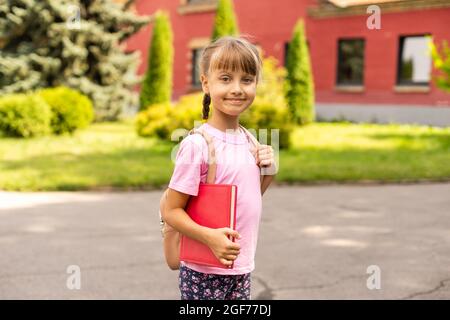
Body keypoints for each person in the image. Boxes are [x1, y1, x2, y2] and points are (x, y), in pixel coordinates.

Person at [160, 36, 277, 300]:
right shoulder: (197, 145)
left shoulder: (249, 140)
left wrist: (268, 172)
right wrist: (210, 237)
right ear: (206, 83)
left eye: (246, 79)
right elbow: (171, 209)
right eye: (225, 78)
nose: (237, 88)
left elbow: (248, 198)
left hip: (240, 265)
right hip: (203, 270)